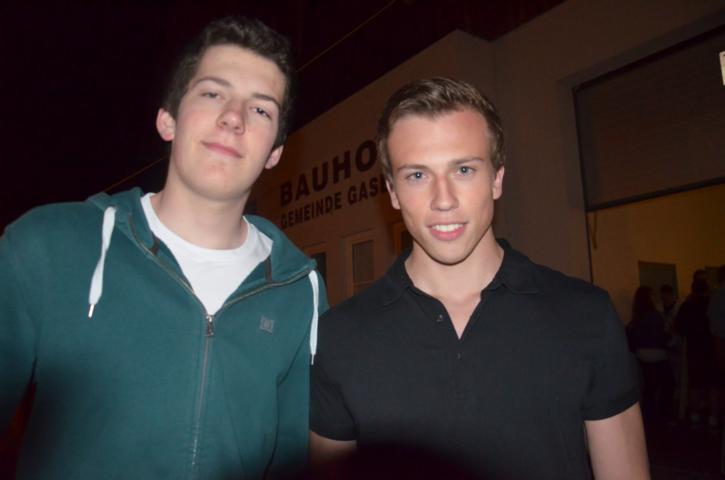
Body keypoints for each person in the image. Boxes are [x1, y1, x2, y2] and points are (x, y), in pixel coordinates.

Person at [0, 17, 326, 479]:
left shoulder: (299, 292)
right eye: (212, 93)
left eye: (260, 110)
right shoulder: (48, 248)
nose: (233, 117)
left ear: (275, 152)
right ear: (167, 119)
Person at [309, 78, 649, 479]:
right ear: (393, 192)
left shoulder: (586, 314)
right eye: (417, 175)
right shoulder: (339, 336)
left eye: (464, 169)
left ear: (497, 179)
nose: (444, 200)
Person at [627, 286, 675, 426]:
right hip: (657, 354)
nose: (656, 297)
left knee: (650, 387)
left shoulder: (637, 316)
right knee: (668, 384)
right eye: (653, 295)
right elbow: (662, 336)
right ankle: (663, 415)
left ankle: (649, 417)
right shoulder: (654, 315)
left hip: (642, 355)